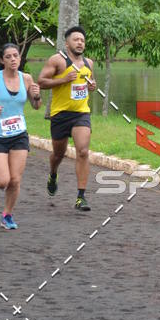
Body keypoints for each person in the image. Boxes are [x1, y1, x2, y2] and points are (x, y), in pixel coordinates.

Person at [0, 43, 41, 229]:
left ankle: (7, 215)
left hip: (19, 135)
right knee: (3, 179)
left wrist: (36, 96)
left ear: (20, 58)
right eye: (8, 57)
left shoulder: (27, 79)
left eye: (16, 56)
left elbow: (36, 106)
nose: (13, 59)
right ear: (2, 60)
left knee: (15, 179)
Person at [37, 25, 96, 211]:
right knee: (58, 154)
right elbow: (41, 82)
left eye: (82, 40)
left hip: (81, 113)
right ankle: (53, 173)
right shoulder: (57, 60)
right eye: (76, 39)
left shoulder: (89, 63)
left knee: (83, 151)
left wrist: (91, 86)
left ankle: (81, 197)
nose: (80, 43)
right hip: (60, 114)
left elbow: (87, 82)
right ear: (67, 42)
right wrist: (62, 79)